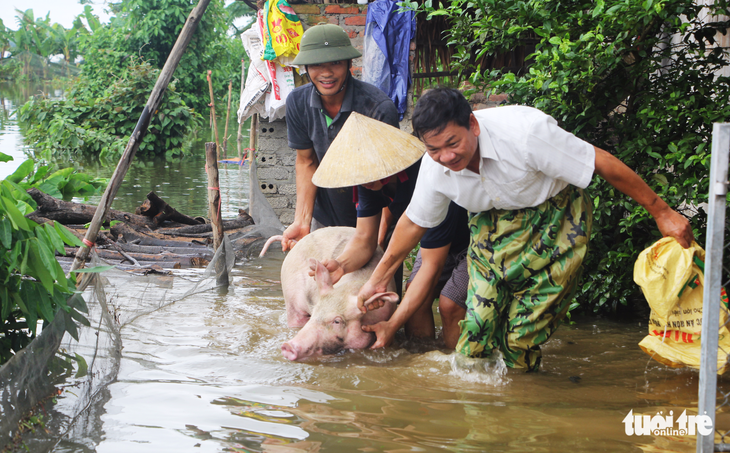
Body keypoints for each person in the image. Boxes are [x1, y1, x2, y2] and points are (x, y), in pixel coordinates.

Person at [357, 87, 694, 371]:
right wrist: (377, 279)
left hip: (556, 216)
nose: (445, 157)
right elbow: (413, 223)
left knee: (521, 339)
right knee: (474, 330)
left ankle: (522, 402)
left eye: (452, 143)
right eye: (434, 149)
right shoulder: (436, 169)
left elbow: (600, 161)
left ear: (472, 124)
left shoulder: (526, 134)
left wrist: (661, 212)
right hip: (493, 222)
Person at [281, 23, 400, 252]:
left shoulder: (377, 107)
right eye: (316, 65)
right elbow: (307, 162)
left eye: (335, 63)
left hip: (375, 216)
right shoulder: (297, 102)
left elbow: (389, 177)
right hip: (325, 214)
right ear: (306, 67)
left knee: (375, 285)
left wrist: (380, 234)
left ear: (349, 64)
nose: (326, 73)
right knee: (322, 282)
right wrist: (302, 221)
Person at [364, 201, 470, 349]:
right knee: (414, 293)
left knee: (449, 304)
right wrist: (341, 266)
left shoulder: (433, 195)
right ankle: (420, 357)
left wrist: (391, 325)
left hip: (474, 240)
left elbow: (431, 266)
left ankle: (455, 364)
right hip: (438, 237)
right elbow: (362, 237)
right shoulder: (367, 188)